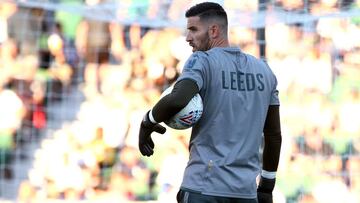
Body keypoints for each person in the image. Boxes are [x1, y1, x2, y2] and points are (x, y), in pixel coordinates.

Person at [138, 2, 282, 203]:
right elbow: (274, 136)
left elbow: (179, 98)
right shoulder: (265, 72)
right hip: (245, 193)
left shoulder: (202, 61)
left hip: (203, 188)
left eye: (193, 30)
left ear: (214, 30)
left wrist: (148, 120)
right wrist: (266, 187)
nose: (188, 37)